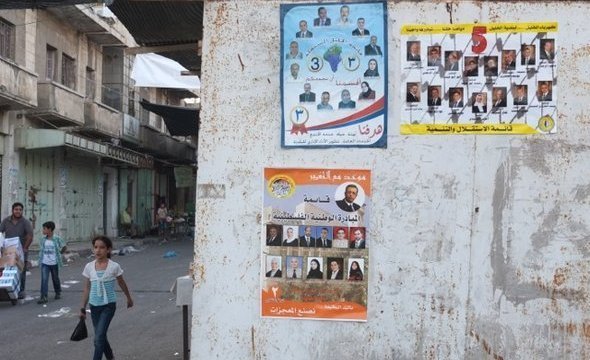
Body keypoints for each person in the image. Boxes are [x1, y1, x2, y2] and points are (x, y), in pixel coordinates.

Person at [80, 235, 133, 360]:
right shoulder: (89, 267)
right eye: (96, 247)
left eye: (102, 248)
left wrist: (129, 298)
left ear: (108, 250)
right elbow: (87, 288)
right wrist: (82, 307)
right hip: (94, 306)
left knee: (98, 338)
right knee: (100, 336)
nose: (98, 250)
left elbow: (121, 282)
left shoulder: (114, 266)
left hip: (108, 306)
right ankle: (110, 357)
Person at [0, 202, 33, 299]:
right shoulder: (6, 221)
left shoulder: (25, 222)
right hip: (8, 251)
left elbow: (30, 236)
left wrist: (25, 248)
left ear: (22, 211)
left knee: (21, 271)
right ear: (12, 210)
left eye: (20, 210)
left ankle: (21, 291)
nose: (18, 211)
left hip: (21, 251)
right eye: (16, 209)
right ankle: (8, 290)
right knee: (7, 270)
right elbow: (0, 232)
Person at [37, 221, 66, 304]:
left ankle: (58, 292)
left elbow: (64, 246)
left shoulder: (57, 238)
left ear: (50, 229)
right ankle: (44, 296)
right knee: (44, 279)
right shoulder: (43, 239)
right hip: (45, 263)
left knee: (55, 278)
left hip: (54, 263)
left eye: (44, 228)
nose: (43, 230)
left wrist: (60, 253)